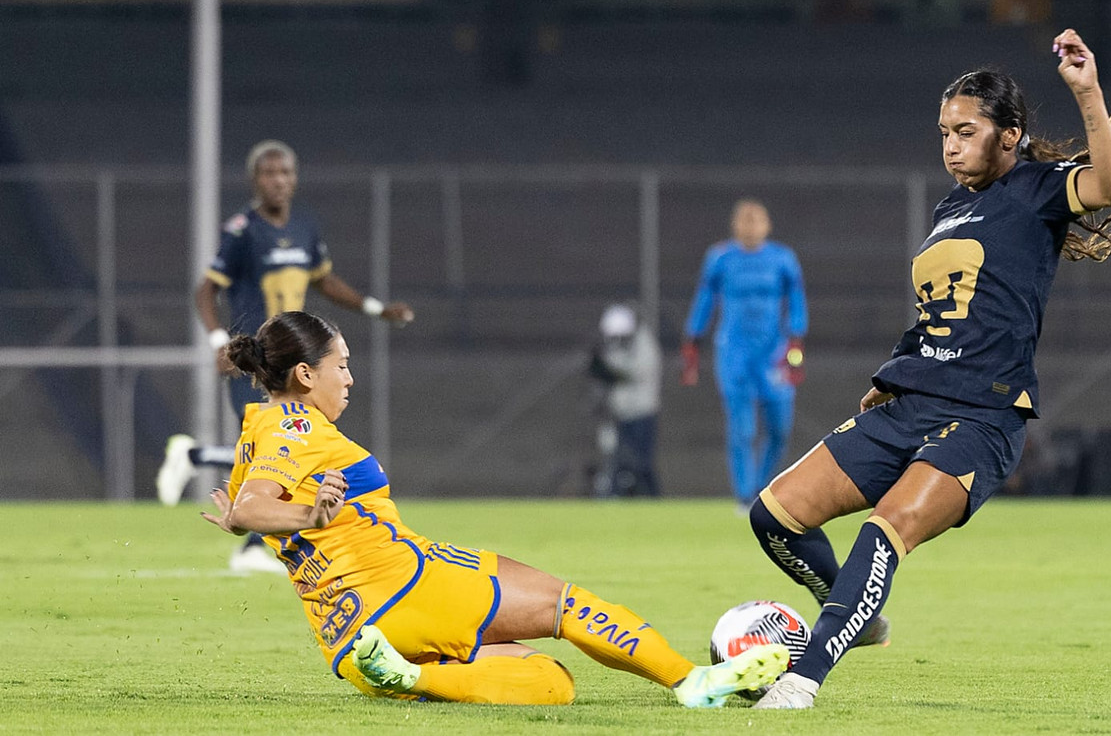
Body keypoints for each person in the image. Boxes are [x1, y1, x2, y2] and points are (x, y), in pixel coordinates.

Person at [749, 29, 1111, 709]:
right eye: (944, 131)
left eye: (966, 130)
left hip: (983, 417)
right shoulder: (952, 208)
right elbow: (935, 314)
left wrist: (1086, 90)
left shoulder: (1036, 189)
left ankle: (804, 677)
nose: (950, 144)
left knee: (884, 531)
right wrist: (890, 375)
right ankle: (855, 614)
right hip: (912, 402)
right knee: (774, 514)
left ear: (1008, 137)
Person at [199, 310, 789, 706]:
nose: (350, 379)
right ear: (305, 374)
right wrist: (299, 516)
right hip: (407, 587)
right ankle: (693, 681)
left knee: (551, 684)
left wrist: (245, 517)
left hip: (351, 643)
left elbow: (250, 506)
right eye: (341, 365)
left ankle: (411, 676)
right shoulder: (297, 425)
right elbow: (257, 507)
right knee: (569, 605)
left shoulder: (259, 429)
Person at [156, 139, 414, 573]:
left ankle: (207, 475)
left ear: (295, 179)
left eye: (286, 173)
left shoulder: (306, 226)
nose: (279, 180)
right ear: (255, 180)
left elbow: (325, 281)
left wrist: (376, 308)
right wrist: (220, 340)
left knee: (289, 445)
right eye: (269, 173)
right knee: (275, 445)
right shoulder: (242, 231)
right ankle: (249, 537)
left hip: (295, 360)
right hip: (258, 359)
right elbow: (206, 289)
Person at [682, 199, 808, 512]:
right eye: (744, 222)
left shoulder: (782, 259)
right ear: (735, 226)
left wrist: (796, 340)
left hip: (773, 352)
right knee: (742, 428)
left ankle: (760, 486)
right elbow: (705, 298)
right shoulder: (721, 258)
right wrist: (692, 340)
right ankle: (744, 496)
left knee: (779, 427)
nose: (750, 228)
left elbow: (796, 299)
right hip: (733, 352)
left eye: (756, 222)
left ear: (767, 226)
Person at [587, 302, 662, 497]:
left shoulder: (644, 343)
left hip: (642, 413)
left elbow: (639, 371)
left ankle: (651, 498)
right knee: (619, 460)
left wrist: (609, 371)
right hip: (621, 413)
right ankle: (619, 495)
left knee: (642, 461)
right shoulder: (619, 345)